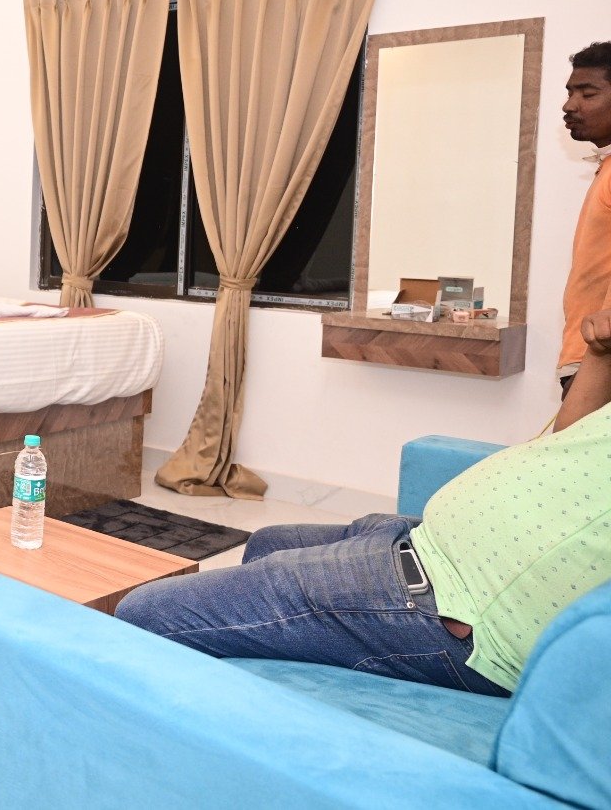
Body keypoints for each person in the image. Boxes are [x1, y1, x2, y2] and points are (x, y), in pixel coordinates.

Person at [114, 309, 611, 697]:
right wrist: (600, 351)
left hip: (457, 609)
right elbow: (568, 439)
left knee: (146, 612)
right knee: (268, 540)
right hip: (423, 539)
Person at [559, 41, 611, 398]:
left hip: (600, 362)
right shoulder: (606, 167)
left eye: (587, 94)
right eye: (570, 92)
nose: (569, 105)